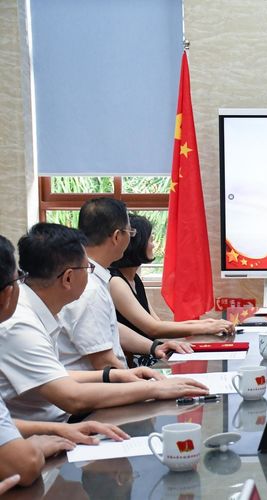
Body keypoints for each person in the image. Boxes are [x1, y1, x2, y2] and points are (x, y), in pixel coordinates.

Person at [0, 223, 209, 423]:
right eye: (87, 268)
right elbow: (72, 398)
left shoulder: (40, 308)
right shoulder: (20, 326)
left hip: (64, 419)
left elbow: (55, 374)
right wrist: (155, 388)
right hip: (49, 430)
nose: (90, 274)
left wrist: (114, 376)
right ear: (68, 278)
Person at [0, 234, 129, 488]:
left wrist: (53, 431)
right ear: (6, 295)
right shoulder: (17, 325)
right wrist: (156, 389)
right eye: (18, 278)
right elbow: (23, 464)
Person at [58, 198, 190, 371]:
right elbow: (105, 364)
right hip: (102, 385)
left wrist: (155, 347)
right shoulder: (90, 289)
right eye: (130, 232)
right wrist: (146, 382)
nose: (131, 237)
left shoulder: (95, 277)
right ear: (117, 236)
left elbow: (111, 326)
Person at [109, 214, 234, 342]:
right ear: (136, 244)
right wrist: (205, 328)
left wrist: (205, 323)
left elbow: (157, 323)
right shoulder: (116, 282)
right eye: (150, 240)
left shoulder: (134, 279)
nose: (153, 245)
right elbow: (153, 329)